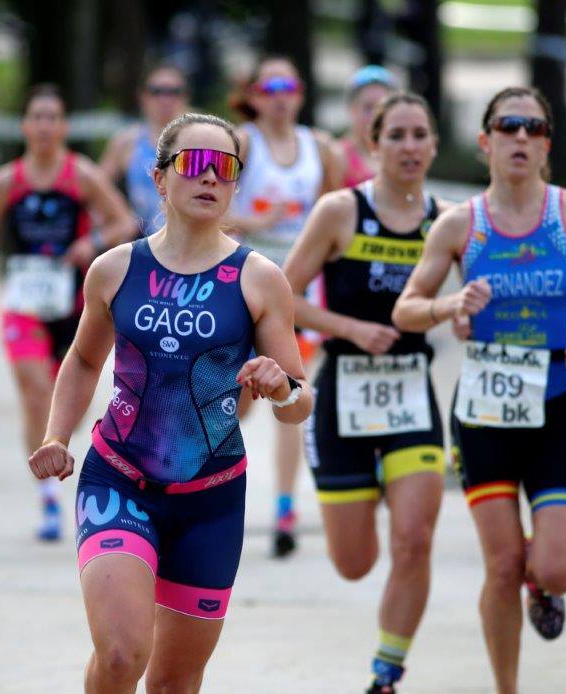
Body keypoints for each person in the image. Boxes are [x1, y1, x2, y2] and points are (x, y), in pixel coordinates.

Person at [28, 113, 314, 693]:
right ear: (161, 179)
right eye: (194, 164)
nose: (210, 178)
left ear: (236, 184)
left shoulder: (259, 280)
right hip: (119, 481)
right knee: (119, 655)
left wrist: (280, 386)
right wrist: (57, 436)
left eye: (225, 167)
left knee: (174, 683)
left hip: (210, 499)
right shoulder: (114, 270)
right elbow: (84, 360)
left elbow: (299, 401)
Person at [392, 86, 566, 694]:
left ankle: (541, 584)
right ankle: (507, 687)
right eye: (507, 126)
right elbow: (407, 310)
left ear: (547, 143)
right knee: (501, 566)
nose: (520, 137)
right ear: (485, 141)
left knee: (556, 569)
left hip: (554, 405)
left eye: (533, 127)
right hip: (484, 413)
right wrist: (452, 305)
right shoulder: (459, 225)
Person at [285, 92, 446, 694]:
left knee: (415, 538)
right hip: (343, 394)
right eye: (396, 136)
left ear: (433, 145)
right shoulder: (339, 211)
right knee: (354, 564)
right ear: (373, 145)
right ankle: (369, 495)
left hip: (412, 397)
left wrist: (454, 313)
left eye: (419, 135)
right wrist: (352, 329)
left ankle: (387, 670)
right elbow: (285, 296)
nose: (408, 147)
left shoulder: (447, 220)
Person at [0, 84, 133, 541]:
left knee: (62, 404)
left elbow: (123, 222)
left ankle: (54, 442)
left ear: (63, 127)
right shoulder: (6, 181)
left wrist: (91, 243)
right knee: (33, 387)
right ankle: (47, 498)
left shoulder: (80, 175)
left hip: (72, 303)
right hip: (23, 301)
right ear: (25, 126)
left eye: (52, 118)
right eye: (36, 117)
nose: (44, 126)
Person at [227, 54, 343, 557]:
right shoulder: (242, 143)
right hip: (245, 281)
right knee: (242, 400)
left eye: (287, 84)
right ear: (254, 94)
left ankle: (284, 508)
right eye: (268, 84)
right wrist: (257, 222)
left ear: (299, 93)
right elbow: (208, 210)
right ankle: (202, 478)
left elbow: (339, 217)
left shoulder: (321, 147)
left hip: (298, 289)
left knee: (292, 392)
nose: (278, 94)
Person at [99, 63, 190, 237]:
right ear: (143, 96)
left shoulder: (201, 141)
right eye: (157, 91)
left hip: (189, 241)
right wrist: (121, 217)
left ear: (185, 97)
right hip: (143, 243)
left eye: (174, 92)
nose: (165, 99)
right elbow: (96, 189)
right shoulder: (127, 142)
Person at [335, 65, 399, 188]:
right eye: (368, 108)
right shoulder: (337, 155)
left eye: (382, 108)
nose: (375, 116)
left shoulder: (400, 153)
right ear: (352, 109)